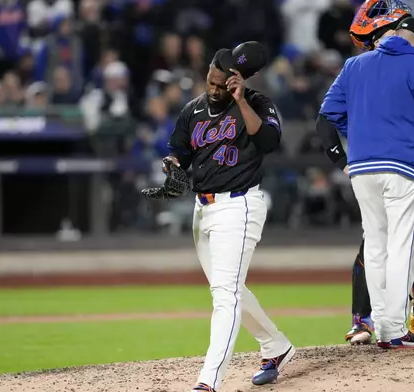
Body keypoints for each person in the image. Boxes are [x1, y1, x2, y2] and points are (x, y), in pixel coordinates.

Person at [317, 0, 414, 346]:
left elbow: (329, 114)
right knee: (402, 246)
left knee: (375, 244)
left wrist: (362, 130)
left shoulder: (354, 65)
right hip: (402, 166)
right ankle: (394, 329)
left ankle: (378, 323)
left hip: (362, 166)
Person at [164, 42, 294, 392]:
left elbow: (268, 141)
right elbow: (179, 152)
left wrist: (240, 101)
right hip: (202, 210)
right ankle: (276, 346)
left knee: (226, 296)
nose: (214, 88)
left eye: (223, 84)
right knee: (228, 290)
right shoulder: (193, 110)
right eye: (211, 81)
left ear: (237, 81)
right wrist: (173, 167)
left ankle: (209, 382)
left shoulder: (257, 105)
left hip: (240, 206)